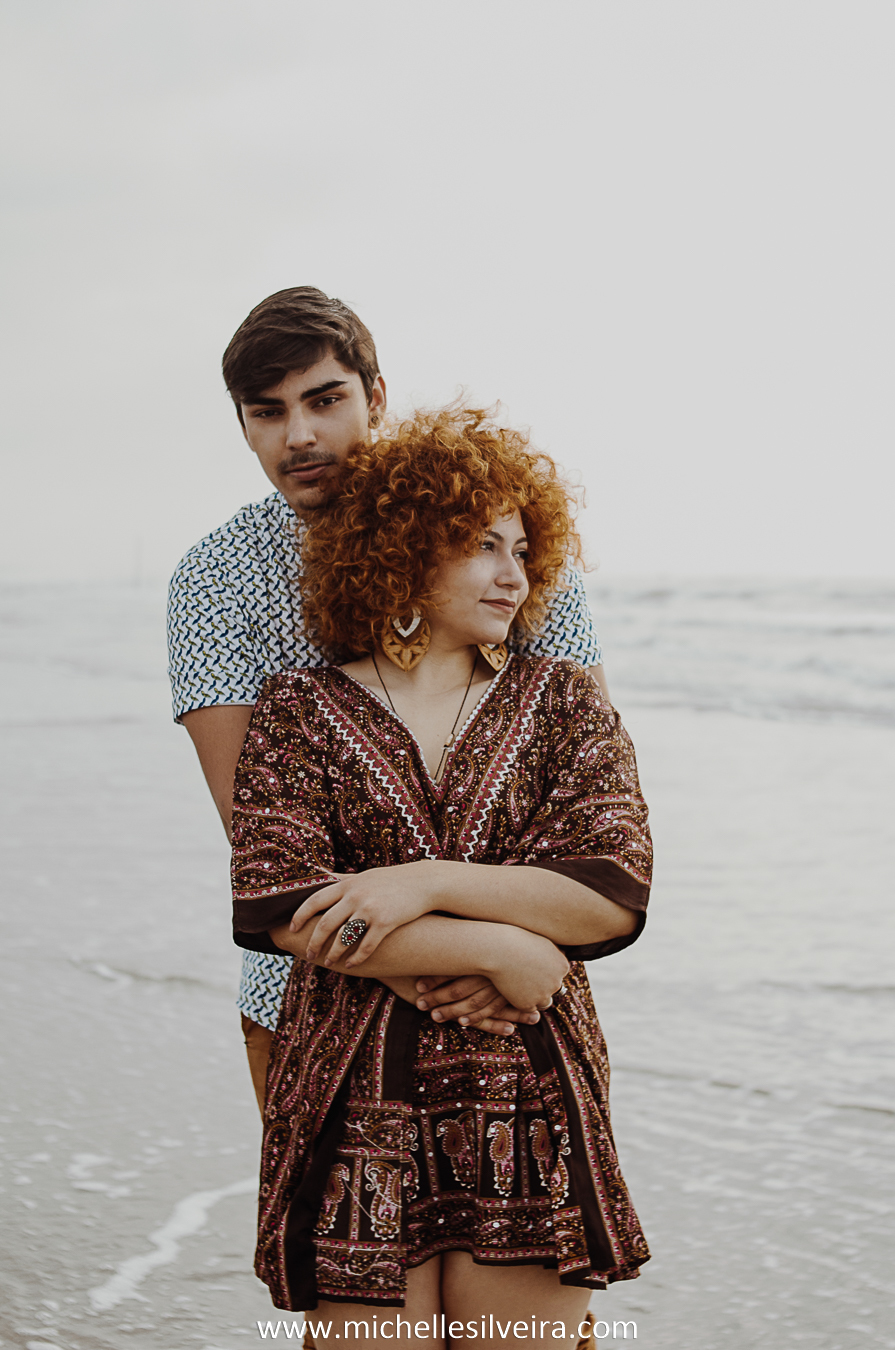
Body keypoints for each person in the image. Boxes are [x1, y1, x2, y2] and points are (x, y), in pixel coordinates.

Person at [231, 407, 652, 1344]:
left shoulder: (562, 702)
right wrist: (505, 950)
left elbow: (607, 890)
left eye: (521, 547)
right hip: (351, 1096)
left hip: (527, 1087)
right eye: (480, 546)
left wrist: (414, 882)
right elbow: (283, 903)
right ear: (404, 548)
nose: (515, 573)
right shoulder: (299, 708)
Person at [167, 287, 610, 1111]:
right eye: (266, 412)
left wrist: (506, 957)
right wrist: (443, 965)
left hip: (517, 996)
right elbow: (255, 838)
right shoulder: (214, 578)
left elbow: (584, 790)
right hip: (311, 988)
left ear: (375, 395)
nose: (298, 435)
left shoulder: (503, 546)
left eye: (325, 400)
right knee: (326, 1242)